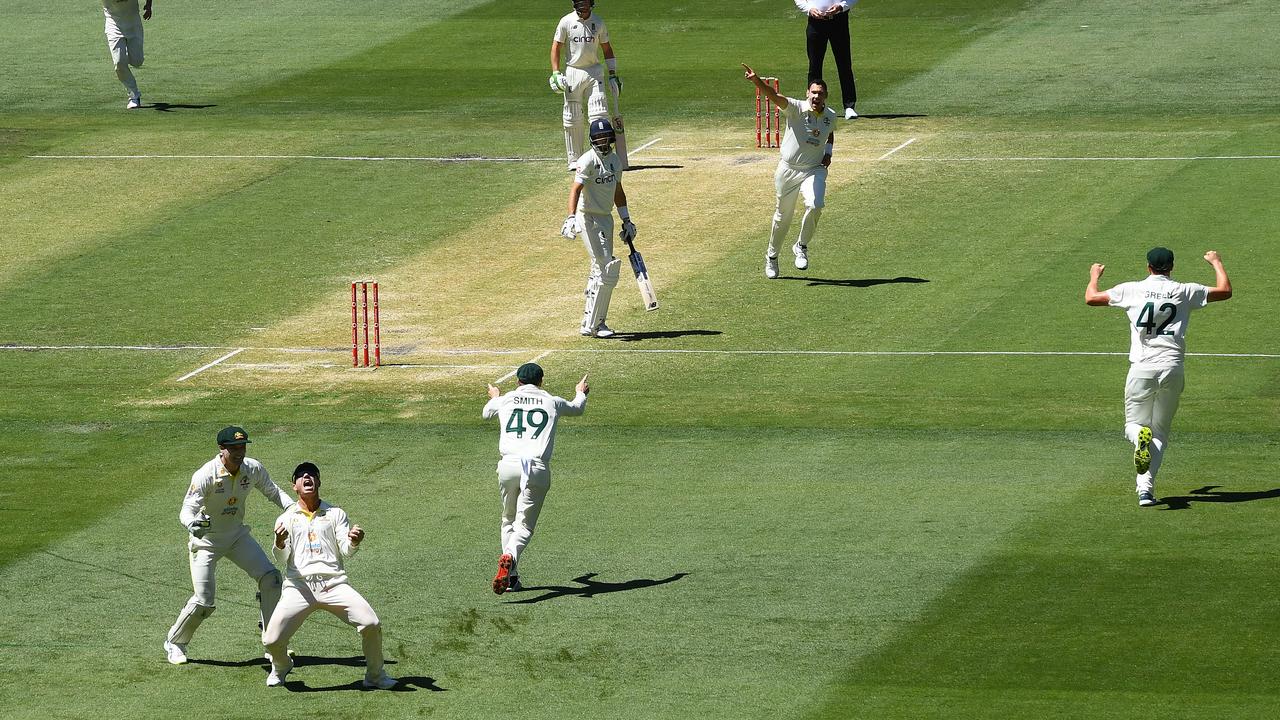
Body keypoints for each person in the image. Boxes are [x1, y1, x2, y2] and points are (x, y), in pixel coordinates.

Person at [1085, 248, 1233, 507]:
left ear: (1148, 267)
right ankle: (1145, 491)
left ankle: (1139, 440)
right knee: (1160, 433)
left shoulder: (1131, 289)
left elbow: (1091, 298)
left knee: (1134, 426)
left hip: (1142, 368)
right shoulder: (1185, 290)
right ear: (1171, 267)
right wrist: (1216, 262)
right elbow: (1225, 290)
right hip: (1172, 368)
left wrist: (1094, 275)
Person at [164, 426, 291, 665]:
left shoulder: (252, 468)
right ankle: (174, 642)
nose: (239, 452)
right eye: (233, 448)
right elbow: (187, 509)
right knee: (204, 601)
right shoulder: (206, 475)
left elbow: (273, 491)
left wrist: (293, 510)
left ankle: (272, 641)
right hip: (206, 542)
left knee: (271, 578)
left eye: (242, 447)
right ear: (222, 449)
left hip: (236, 537)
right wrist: (193, 525)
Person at [263, 463, 397, 689]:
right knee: (271, 640)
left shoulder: (335, 514)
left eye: (312, 475)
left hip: (334, 585)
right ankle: (282, 665)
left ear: (318, 482)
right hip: (299, 587)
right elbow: (281, 559)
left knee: (371, 624)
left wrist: (354, 541)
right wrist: (279, 542)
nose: (307, 477)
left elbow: (346, 549)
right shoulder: (285, 518)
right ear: (294, 486)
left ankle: (375, 675)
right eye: (301, 476)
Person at [482, 363, 589, 594]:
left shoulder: (507, 399)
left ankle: (511, 578)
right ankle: (509, 557)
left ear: (518, 381)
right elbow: (577, 408)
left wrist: (495, 396)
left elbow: (486, 413)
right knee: (525, 526)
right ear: (541, 381)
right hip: (536, 467)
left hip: (508, 465)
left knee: (508, 519)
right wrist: (581, 391)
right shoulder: (551, 401)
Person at [742, 63, 838, 279]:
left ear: (825, 96)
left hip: (814, 169)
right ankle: (772, 257)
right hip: (787, 170)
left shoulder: (830, 116)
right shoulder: (795, 107)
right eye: (813, 92)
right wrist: (757, 81)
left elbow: (829, 133)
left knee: (816, 204)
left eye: (820, 94)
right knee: (782, 218)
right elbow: (774, 95)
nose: (816, 96)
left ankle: (801, 246)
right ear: (807, 93)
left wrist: (828, 153)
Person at [560, 118, 636, 337]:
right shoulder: (587, 161)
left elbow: (618, 191)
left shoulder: (614, 161)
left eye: (606, 138)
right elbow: (575, 189)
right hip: (588, 218)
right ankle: (594, 325)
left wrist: (626, 219)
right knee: (605, 267)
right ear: (593, 140)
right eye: (599, 138)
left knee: (603, 269)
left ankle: (592, 322)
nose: (603, 141)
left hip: (606, 218)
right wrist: (571, 217)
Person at [550, 0, 622, 171]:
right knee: (572, 116)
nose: (583, 7)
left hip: (594, 71)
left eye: (586, 3)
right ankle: (574, 159)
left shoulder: (598, 22)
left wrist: (613, 74)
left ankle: (601, 153)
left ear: (591, 4)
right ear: (574, 4)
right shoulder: (566, 21)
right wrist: (555, 72)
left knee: (599, 113)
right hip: (573, 71)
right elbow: (556, 47)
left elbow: (607, 49)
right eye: (580, 4)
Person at [795, 0, 859, 120]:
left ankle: (849, 107)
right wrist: (809, 9)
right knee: (814, 66)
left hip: (839, 21)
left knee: (844, 64)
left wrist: (841, 6)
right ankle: (812, 106)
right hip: (815, 23)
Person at [102, 0, 152, 109]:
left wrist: (149, 5)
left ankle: (128, 55)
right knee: (119, 63)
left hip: (133, 24)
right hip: (113, 25)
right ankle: (134, 95)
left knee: (137, 62)